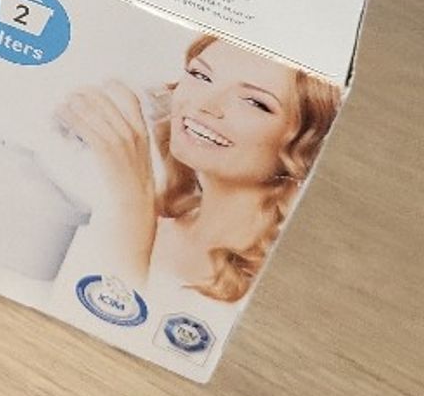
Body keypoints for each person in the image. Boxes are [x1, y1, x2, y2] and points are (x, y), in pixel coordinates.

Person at [56, 33, 341, 304]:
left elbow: (119, 318)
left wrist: (133, 199)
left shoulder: (273, 283)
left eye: (255, 102)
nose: (205, 105)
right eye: (201, 76)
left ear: (307, 143)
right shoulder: (158, 226)